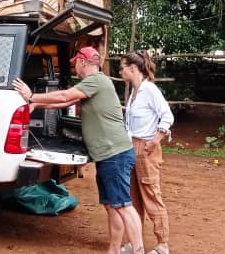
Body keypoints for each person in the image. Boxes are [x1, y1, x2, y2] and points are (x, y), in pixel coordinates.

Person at [13, 46, 145, 254]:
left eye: (76, 63)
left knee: (123, 205)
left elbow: (65, 95)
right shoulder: (93, 84)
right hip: (108, 155)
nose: (75, 67)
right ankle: (114, 250)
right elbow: (66, 101)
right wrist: (36, 105)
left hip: (115, 154)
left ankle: (138, 250)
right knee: (112, 206)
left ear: (83, 62)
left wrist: (31, 97)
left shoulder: (97, 81)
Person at [119, 51, 173, 254]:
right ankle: (135, 243)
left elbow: (167, 116)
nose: (120, 71)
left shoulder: (150, 90)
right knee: (133, 197)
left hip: (145, 148)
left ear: (133, 68)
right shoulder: (134, 92)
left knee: (151, 195)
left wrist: (155, 140)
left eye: (122, 67)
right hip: (131, 147)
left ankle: (162, 245)